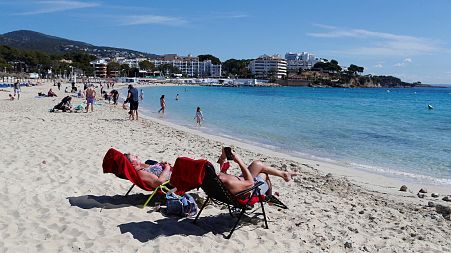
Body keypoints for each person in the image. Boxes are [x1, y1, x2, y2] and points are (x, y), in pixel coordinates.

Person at [216, 148, 298, 196]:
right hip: (249, 190)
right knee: (264, 174)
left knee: (257, 164)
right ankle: (269, 198)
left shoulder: (217, 178)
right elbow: (250, 183)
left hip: (240, 182)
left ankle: (284, 174)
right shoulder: (228, 182)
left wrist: (223, 157)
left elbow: (220, 172)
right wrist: (239, 161)